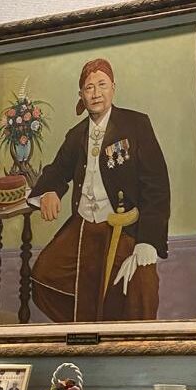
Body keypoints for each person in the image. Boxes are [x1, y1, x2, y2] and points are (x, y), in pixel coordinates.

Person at [28, 58, 170, 322]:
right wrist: (49, 192)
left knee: (141, 289)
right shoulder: (76, 135)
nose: (96, 93)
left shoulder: (136, 125)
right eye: (89, 87)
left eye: (102, 85)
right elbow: (57, 171)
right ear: (81, 95)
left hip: (125, 228)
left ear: (113, 88)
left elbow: (157, 187)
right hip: (83, 226)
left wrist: (148, 241)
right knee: (42, 277)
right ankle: (83, 330)